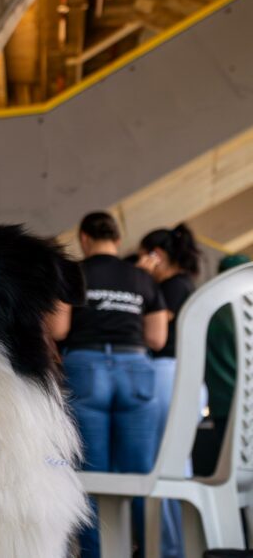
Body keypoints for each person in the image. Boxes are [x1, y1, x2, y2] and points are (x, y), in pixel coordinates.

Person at [50, 211, 168, 558]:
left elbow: (58, 330)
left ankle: (97, 553)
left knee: (92, 477)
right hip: (135, 369)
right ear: (118, 239)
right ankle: (149, 551)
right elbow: (157, 338)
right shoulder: (142, 278)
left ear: (84, 239)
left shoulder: (77, 273)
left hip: (87, 368)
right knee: (140, 474)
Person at [137, 224, 202, 558]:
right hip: (181, 378)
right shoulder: (184, 285)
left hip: (169, 376)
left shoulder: (172, 288)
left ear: (155, 255)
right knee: (174, 465)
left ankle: (168, 549)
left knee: (164, 466)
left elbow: (153, 327)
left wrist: (141, 279)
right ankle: (169, 546)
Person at [193, 254, 252, 477]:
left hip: (221, 407)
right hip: (249, 408)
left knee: (226, 472)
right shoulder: (249, 313)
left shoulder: (211, 311)